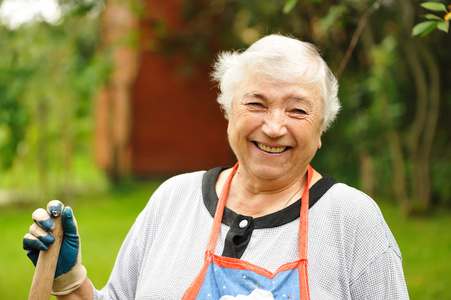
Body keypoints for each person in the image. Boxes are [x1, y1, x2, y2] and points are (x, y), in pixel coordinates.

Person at [23, 34, 409, 299]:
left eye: (297, 110)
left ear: (321, 128)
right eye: (256, 104)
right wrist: (69, 278)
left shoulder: (353, 221)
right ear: (228, 111)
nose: (274, 127)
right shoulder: (173, 200)